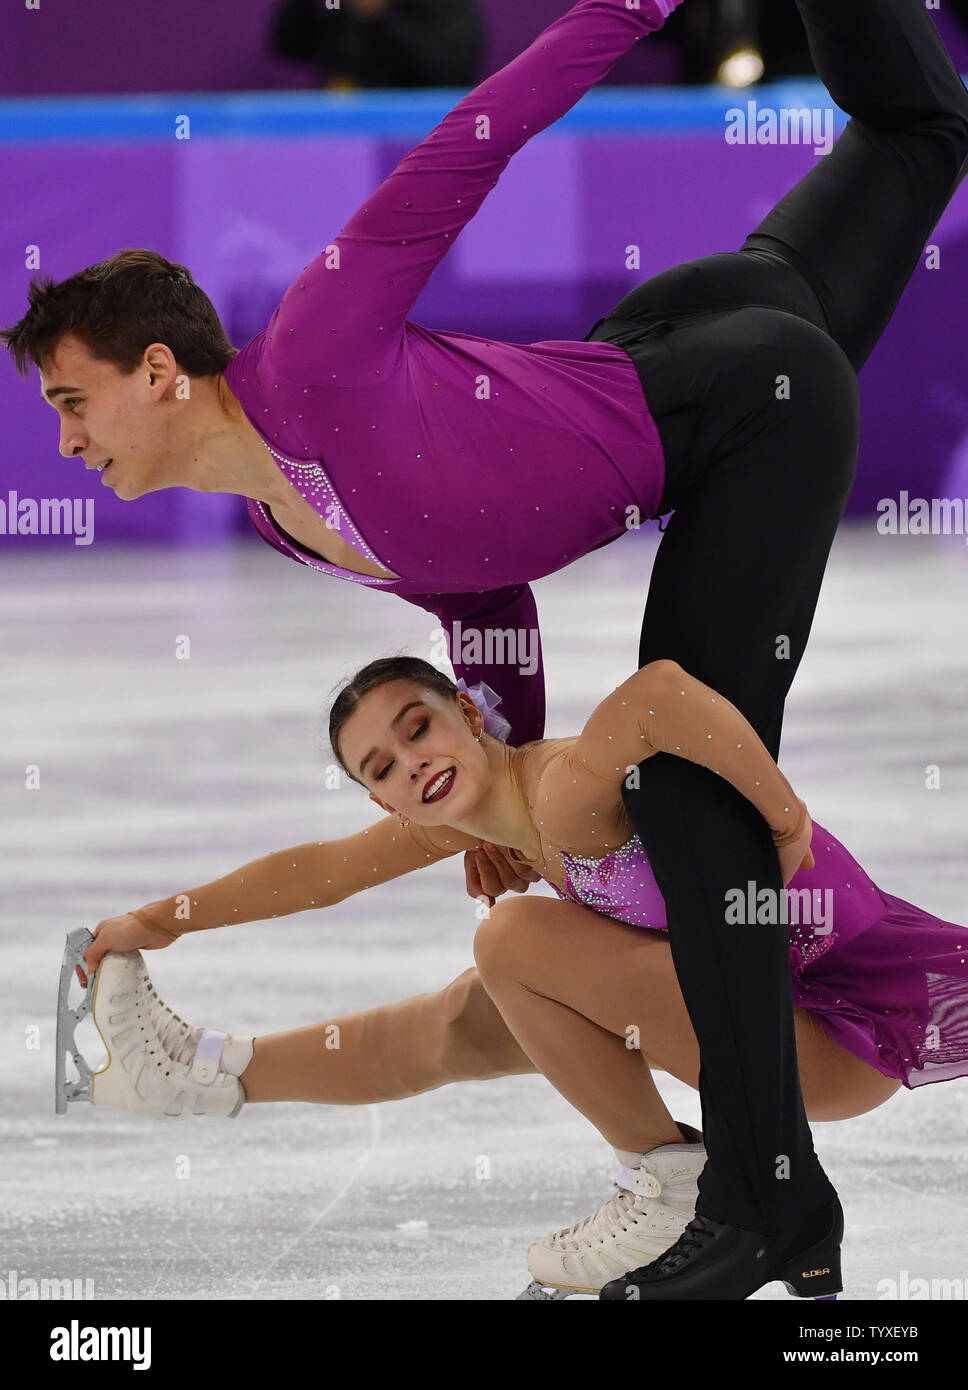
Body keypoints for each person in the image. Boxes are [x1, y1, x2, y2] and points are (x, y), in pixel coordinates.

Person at [7, 0, 968, 1296]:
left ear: (162, 370)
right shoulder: (290, 521)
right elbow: (485, 585)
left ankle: (766, 1198)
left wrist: (629, 11)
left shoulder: (313, 355)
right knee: (916, 131)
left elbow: (473, 138)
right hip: (684, 330)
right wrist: (504, 754)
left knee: (689, 785)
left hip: (745, 412)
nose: (66, 440)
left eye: (74, 398)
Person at [78, 659, 968, 1300]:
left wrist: (784, 819)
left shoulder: (562, 792)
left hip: (830, 1036)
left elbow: (660, 692)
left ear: (468, 712)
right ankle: (204, 1078)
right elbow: (319, 871)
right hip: (775, 1019)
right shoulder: (476, 822)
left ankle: (669, 1180)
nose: (411, 763)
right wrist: (156, 922)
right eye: (379, 769)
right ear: (380, 799)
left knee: (512, 940)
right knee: (462, 1022)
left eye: (417, 727)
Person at [269, 0, 484, 91]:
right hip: (342, 132)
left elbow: (452, 72)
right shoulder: (335, 5)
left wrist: (382, 15)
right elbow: (289, 45)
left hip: (419, 134)